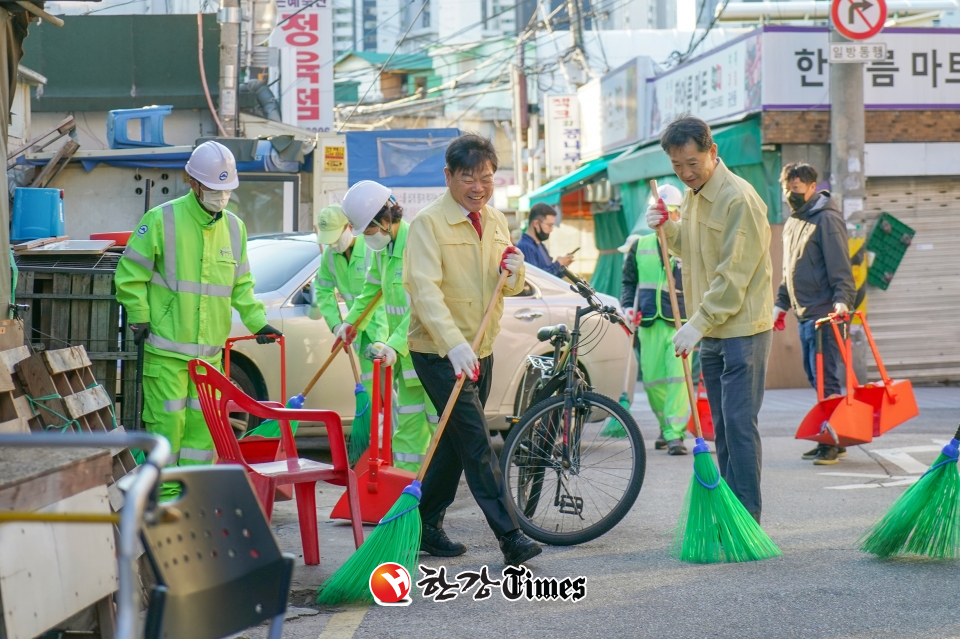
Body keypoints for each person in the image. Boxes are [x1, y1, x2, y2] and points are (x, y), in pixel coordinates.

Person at [404, 133, 541, 566]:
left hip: (481, 349)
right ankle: (511, 536)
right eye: (468, 177)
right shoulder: (428, 224)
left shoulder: (497, 220)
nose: (478, 186)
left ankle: (425, 522)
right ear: (449, 177)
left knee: (453, 445)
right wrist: (453, 345)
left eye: (486, 177)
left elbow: (507, 283)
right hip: (438, 352)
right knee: (478, 443)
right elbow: (422, 291)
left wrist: (516, 272)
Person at [115, 141, 280, 495]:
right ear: (193, 182)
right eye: (214, 188)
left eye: (226, 190)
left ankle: (192, 501)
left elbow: (242, 284)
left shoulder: (235, 229)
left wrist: (257, 322)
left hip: (209, 360)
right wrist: (139, 315)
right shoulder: (162, 220)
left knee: (203, 432)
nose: (221, 196)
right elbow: (130, 273)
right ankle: (160, 501)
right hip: (166, 354)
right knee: (166, 428)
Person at [646, 116, 773, 524]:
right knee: (722, 425)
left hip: (741, 330)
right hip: (713, 329)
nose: (685, 172)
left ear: (712, 152)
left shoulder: (739, 198)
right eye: (676, 166)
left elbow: (733, 276)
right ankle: (731, 512)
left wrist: (697, 323)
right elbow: (693, 251)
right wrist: (667, 227)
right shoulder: (696, 195)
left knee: (738, 425)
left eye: (692, 163)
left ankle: (746, 518)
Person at [336, 181, 438, 472]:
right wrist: (350, 323)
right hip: (408, 361)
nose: (367, 238)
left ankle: (435, 495)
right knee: (406, 432)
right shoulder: (383, 251)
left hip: (430, 356)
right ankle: (405, 494)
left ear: (384, 221)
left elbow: (422, 304)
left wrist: (393, 345)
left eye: (367, 231)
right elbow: (370, 290)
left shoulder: (417, 245)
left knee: (437, 429)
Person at [772, 162, 855, 466]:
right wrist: (781, 304)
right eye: (785, 189)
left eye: (794, 189)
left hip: (825, 313)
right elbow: (788, 270)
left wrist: (843, 301)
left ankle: (832, 441)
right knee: (815, 377)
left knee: (827, 380)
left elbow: (840, 267)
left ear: (811, 187)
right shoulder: (795, 221)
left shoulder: (827, 220)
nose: (789, 195)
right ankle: (832, 435)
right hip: (805, 314)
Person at [622, 184, 690, 456]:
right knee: (652, 381)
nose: (668, 218)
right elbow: (629, 282)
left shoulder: (686, 245)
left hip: (680, 324)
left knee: (677, 380)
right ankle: (665, 426)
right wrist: (627, 306)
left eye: (672, 213)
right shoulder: (639, 246)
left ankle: (675, 435)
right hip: (648, 322)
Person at [308, 204, 387, 419]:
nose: (333, 244)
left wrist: (382, 338)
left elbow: (382, 297)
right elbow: (323, 291)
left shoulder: (372, 248)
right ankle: (376, 437)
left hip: (387, 334)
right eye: (328, 239)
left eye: (335, 237)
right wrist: (337, 325)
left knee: (393, 391)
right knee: (371, 388)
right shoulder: (330, 258)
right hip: (359, 335)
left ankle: (395, 442)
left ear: (349, 227)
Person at [516, 202, 575, 276]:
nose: (551, 229)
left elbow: (552, 278)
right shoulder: (525, 247)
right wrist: (558, 263)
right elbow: (537, 278)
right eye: (549, 225)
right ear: (536, 224)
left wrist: (562, 266)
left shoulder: (540, 245)